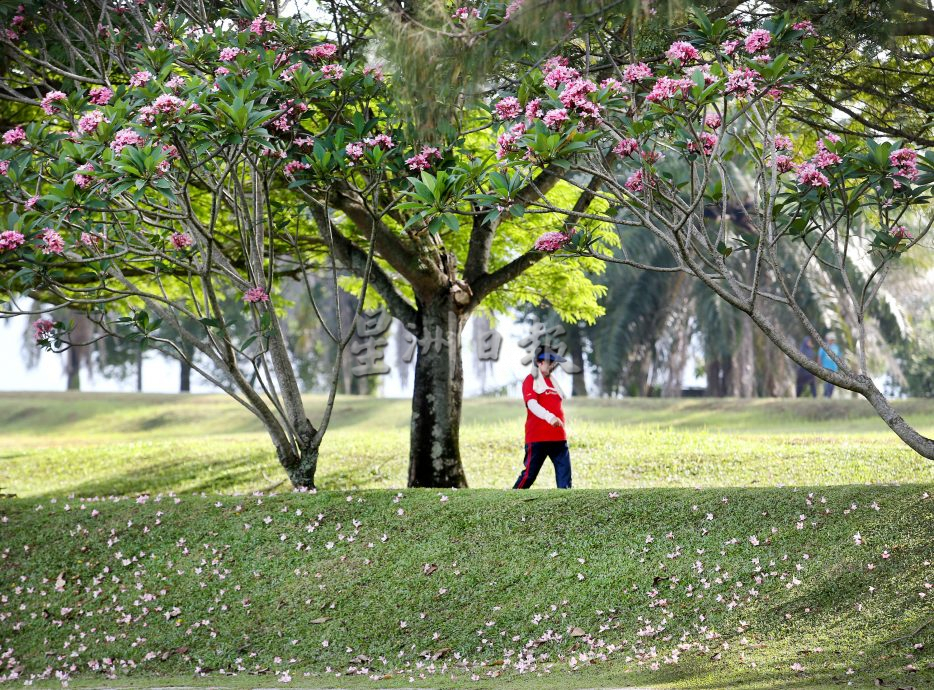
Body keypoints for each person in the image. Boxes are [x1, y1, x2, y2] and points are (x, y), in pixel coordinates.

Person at [513, 347, 572, 489]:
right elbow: (532, 404)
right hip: (538, 438)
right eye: (549, 361)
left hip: (558, 438)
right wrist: (550, 417)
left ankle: (565, 505)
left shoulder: (554, 382)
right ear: (539, 362)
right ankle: (511, 499)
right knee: (529, 475)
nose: (552, 365)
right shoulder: (530, 380)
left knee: (565, 477)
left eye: (554, 362)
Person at [818, 333, 841, 398]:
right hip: (826, 367)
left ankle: (829, 396)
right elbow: (820, 357)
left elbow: (839, 357)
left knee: (833, 383)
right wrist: (819, 367)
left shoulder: (836, 347)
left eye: (833, 340)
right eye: (831, 339)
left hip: (834, 368)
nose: (832, 341)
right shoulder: (823, 346)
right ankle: (826, 396)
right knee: (827, 382)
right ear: (828, 339)